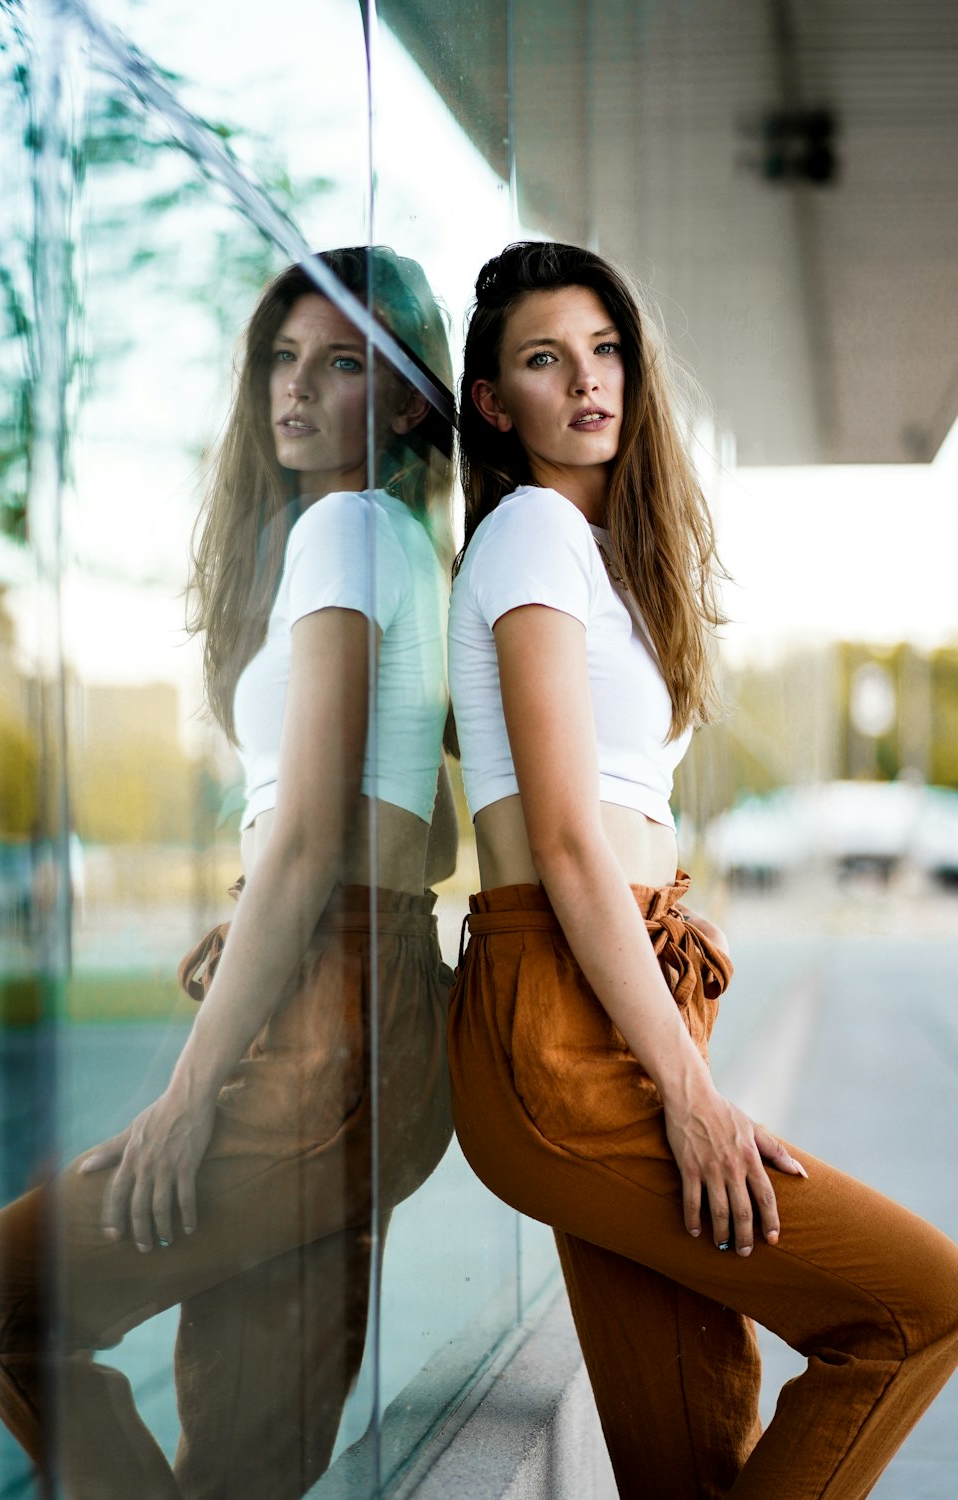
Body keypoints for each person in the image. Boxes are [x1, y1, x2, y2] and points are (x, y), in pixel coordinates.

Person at [446, 240, 958, 1499]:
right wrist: (689, 1093)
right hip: (560, 1027)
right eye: (544, 360)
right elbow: (567, 842)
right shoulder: (526, 536)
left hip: (618, 1000)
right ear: (490, 403)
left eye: (605, 350)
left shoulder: (594, 551)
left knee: (688, 1446)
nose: (586, 383)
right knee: (915, 1311)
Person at [0, 246, 456, 1499]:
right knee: (245, 1460)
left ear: (405, 401)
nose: (294, 391)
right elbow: (415, 835)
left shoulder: (345, 528)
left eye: (338, 365)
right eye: (280, 360)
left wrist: (184, 1100)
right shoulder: (401, 544)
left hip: (326, 1026)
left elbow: (305, 842)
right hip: (362, 1010)